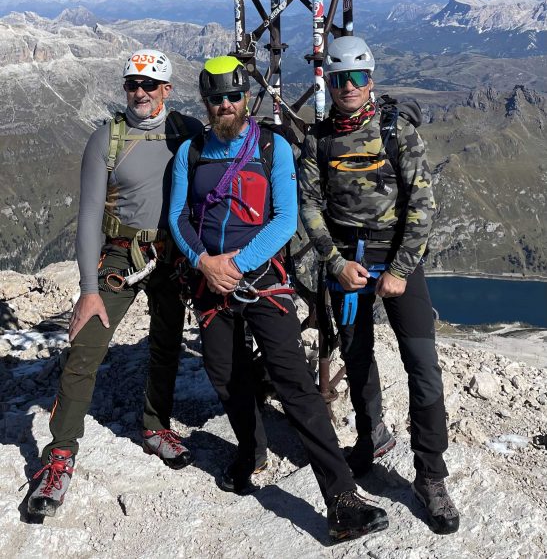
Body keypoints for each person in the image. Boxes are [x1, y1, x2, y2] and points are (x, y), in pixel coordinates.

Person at [168, 56, 388, 542]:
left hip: (261, 278)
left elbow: (285, 219)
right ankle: (251, 451)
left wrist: (235, 265)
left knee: (293, 381)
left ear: (247, 97)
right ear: (204, 102)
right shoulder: (191, 151)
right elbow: (178, 217)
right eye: (215, 98)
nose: (225, 105)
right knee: (224, 374)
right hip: (210, 280)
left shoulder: (273, 148)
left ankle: (341, 496)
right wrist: (205, 262)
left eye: (232, 96)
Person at [27, 50, 203, 517]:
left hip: (172, 251)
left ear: (167, 89)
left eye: (149, 85)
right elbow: (88, 215)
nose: (139, 93)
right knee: (85, 349)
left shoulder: (185, 131)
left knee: (165, 342)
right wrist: (88, 288)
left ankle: (154, 426)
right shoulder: (106, 138)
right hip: (122, 255)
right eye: (132, 84)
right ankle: (60, 455)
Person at [299, 35, 460, 536]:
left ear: (371, 79)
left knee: (423, 367)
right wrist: (334, 261)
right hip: (348, 264)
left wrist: (400, 270)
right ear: (328, 80)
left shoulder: (397, 130)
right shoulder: (320, 138)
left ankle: (430, 475)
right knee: (358, 357)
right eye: (340, 77)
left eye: (358, 77)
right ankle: (372, 440)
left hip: (397, 262)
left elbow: (423, 205)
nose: (349, 87)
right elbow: (308, 205)